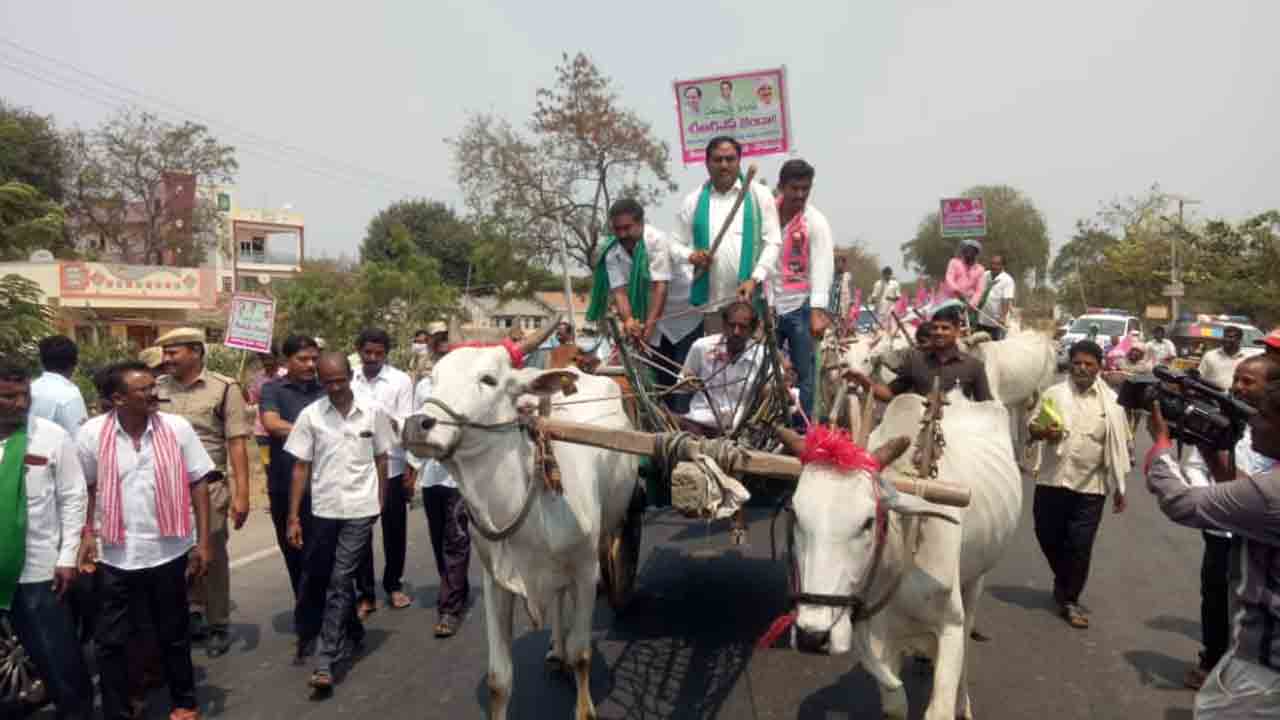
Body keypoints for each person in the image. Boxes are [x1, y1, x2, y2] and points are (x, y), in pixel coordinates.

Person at [77, 361, 214, 720]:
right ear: (118, 399)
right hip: (114, 553)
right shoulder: (91, 434)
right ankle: (118, 710)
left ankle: (184, 701)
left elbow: (198, 482)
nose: (155, 393)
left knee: (173, 632)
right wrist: (86, 535)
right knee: (111, 641)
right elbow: (85, 489)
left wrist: (203, 542)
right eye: (144, 389)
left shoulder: (176, 428)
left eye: (154, 386)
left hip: (168, 549)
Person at [1144, 375, 1280, 717]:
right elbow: (1245, 491)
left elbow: (1180, 502)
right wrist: (1209, 447)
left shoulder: (1272, 492)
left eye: (1262, 416)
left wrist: (1160, 446)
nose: (1253, 423)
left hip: (1264, 668)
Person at [285, 353, 393, 693]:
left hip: (360, 508)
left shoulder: (372, 412)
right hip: (324, 509)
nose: (334, 388)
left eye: (339, 380)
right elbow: (301, 467)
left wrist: (381, 501)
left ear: (350, 377)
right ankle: (355, 632)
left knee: (340, 577)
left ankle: (325, 660)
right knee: (325, 577)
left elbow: (382, 457)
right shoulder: (311, 416)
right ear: (321, 381)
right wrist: (292, 516)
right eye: (327, 382)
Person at [1178, 354, 1280, 690]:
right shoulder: (1219, 416)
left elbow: (1257, 494)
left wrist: (1160, 451)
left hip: (1260, 534)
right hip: (1220, 528)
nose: (1238, 387)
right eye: (1237, 378)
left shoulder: (1271, 430)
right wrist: (1212, 502)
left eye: (1249, 381)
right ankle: (1213, 660)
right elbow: (1198, 466)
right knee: (1217, 596)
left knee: (1254, 602)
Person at [0, 358, 93, 720]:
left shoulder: (51, 436)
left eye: (24, 395)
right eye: (8, 397)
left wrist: (68, 556)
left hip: (38, 570)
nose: (20, 404)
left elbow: (73, 497)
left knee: (59, 660)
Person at [153, 327, 251, 658]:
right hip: (165, 487)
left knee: (211, 553)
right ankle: (191, 612)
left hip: (210, 487)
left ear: (195, 351)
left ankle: (218, 623)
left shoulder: (224, 388)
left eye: (172, 352)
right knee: (174, 554)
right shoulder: (155, 388)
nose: (166, 359)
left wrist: (242, 494)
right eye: (164, 353)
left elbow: (236, 442)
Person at [1027, 341, 1130, 629]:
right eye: (1077, 363)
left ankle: (1070, 599)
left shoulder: (1112, 403)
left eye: (1089, 364)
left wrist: (1120, 487)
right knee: (1046, 534)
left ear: (1100, 367)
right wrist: (1042, 431)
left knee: (1080, 545)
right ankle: (1064, 580)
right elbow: (1032, 426)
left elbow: (1119, 446)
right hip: (1052, 479)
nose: (1082, 369)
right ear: (1070, 364)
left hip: (1091, 486)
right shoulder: (1054, 394)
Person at [670, 136, 782, 315]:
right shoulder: (693, 200)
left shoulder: (758, 195)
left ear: (739, 162)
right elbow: (674, 244)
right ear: (707, 163)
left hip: (750, 303)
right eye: (717, 160)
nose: (724, 165)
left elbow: (773, 243)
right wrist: (691, 256)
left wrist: (755, 279)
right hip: (710, 306)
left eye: (730, 159)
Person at [350, 329, 415, 616]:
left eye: (379, 354)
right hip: (357, 466)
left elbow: (407, 422)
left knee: (394, 530)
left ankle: (393, 584)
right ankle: (365, 593)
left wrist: (385, 419)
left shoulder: (400, 380)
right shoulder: (349, 377)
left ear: (386, 354)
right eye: (368, 353)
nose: (373, 358)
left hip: (392, 464)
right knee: (359, 531)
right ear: (359, 351)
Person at [408, 346, 472, 639]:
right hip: (432, 475)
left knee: (456, 539)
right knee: (439, 541)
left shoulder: (469, 387)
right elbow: (416, 425)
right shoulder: (424, 386)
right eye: (438, 343)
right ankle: (456, 587)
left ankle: (450, 608)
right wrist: (412, 467)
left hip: (460, 476)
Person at [259, 335, 324, 596]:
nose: (310, 365)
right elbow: (272, 424)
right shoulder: (272, 389)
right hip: (284, 485)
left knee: (322, 555)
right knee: (294, 554)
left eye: (314, 359)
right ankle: (306, 615)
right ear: (288, 361)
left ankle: (332, 615)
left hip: (323, 486)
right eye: (303, 359)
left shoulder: (325, 390)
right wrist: (316, 431)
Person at [771, 158, 833, 422]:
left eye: (805, 189)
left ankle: (803, 431)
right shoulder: (765, 215)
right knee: (762, 367)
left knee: (805, 374)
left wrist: (818, 310)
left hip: (800, 306)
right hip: (768, 304)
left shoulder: (815, 221)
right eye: (794, 188)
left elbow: (822, 264)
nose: (799, 195)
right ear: (781, 186)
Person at [845, 306, 993, 403]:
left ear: (957, 331)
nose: (939, 332)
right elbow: (889, 394)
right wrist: (862, 379)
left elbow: (987, 408)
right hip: (920, 432)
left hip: (959, 437)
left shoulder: (974, 366)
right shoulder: (916, 361)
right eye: (935, 328)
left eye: (945, 328)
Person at [586, 198, 672, 346]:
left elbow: (661, 288)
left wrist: (649, 327)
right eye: (617, 229)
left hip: (679, 319)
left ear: (641, 223)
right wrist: (629, 321)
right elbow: (619, 292)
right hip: (646, 322)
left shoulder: (656, 240)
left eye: (627, 228)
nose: (622, 234)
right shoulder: (611, 252)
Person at [678, 301, 766, 434]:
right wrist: (688, 382)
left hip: (739, 429)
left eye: (743, 327)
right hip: (698, 422)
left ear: (752, 330)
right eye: (732, 325)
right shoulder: (702, 347)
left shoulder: (762, 356)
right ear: (724, 325)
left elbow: (780, 393)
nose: (736, 332)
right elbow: (681, 383)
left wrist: (772, 391)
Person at [29, 335, 89, 436]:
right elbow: (80, 438)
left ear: (41, 362)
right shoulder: (69, 395)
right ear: (74, 363)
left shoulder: (30, 388)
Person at [247, 348, 281, 481]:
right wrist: (242, 390)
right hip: (262, 432)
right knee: (268, 465)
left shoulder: (286, 375)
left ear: (277, 358)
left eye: (270, 358)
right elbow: (251, 400)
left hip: (282, 429)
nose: (267, 362)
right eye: (263, 359)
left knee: (284, 463)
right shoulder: (258, 378)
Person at [976, 254, 1015, 340]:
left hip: (996, 322)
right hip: (982, 319)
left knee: (995, 347)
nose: (994, 266)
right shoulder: (985, 275)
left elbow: (1006, 299)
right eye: (992, 263)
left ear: (1002, 266)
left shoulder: (1007, 280)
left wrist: (1003, 317)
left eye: (997, 264)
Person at [942, 238, 986, 314]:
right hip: (951, 301)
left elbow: (979, 290)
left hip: (968, 304)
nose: (969, 253)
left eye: (972, 251)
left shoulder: (980, 269)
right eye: (966, 251)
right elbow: (949, 278)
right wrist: (958, 291)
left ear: (976, 253)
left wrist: (972, 303)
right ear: (963, 252)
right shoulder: (954, 262)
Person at [1199, 325, 1247, 391]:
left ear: (1239, 340)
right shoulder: (1210, 355)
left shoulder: (1246, 359)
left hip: (1236, 399)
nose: (1226, 339)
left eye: (1230, 337)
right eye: (1225, 336)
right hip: (1212, 397)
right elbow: (1200, 376)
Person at [829, 255, 852, 323]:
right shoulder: (831, 276)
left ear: (844, 264)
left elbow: (852, 294)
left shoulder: (848, 276)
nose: (839, 265)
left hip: (844, 310)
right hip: (831, 310)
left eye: (841, 263)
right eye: (837, 263)